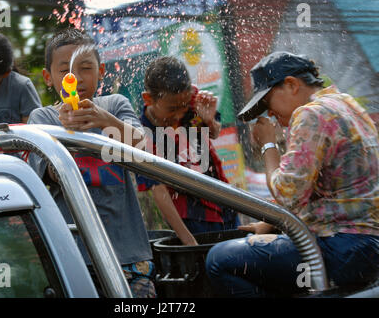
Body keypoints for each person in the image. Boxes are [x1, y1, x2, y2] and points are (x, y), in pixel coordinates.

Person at [205, 51, 379, 297]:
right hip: (366, 247)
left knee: (220, 260)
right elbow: (311, 190)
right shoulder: (347, 104)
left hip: (341, 247)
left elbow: (287, 192)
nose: (271, 115)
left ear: (291, 85)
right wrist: (269, 223)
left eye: (267, 104)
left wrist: (268, 145)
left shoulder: (310, 114)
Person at [26, 28, 155, 298]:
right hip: (73, 253)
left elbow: (143, 147)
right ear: (48, 78)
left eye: (85, 68)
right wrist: (65, 135)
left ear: (101, 71)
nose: (75, 78)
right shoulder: (43, 119)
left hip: (127, 251)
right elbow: (48, 174)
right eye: (65, 71)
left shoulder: (115, 105)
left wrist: (105, 121)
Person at [136, 56, 239, 246]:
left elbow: (214, 133)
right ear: (148, 99)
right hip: (192, 217)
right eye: (172, 109)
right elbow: (158, 191)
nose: (180, 114)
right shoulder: (142, 133)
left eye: (184, 107)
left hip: (224, 200)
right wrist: (188, 240)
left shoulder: (192, 100)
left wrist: (208, 120)